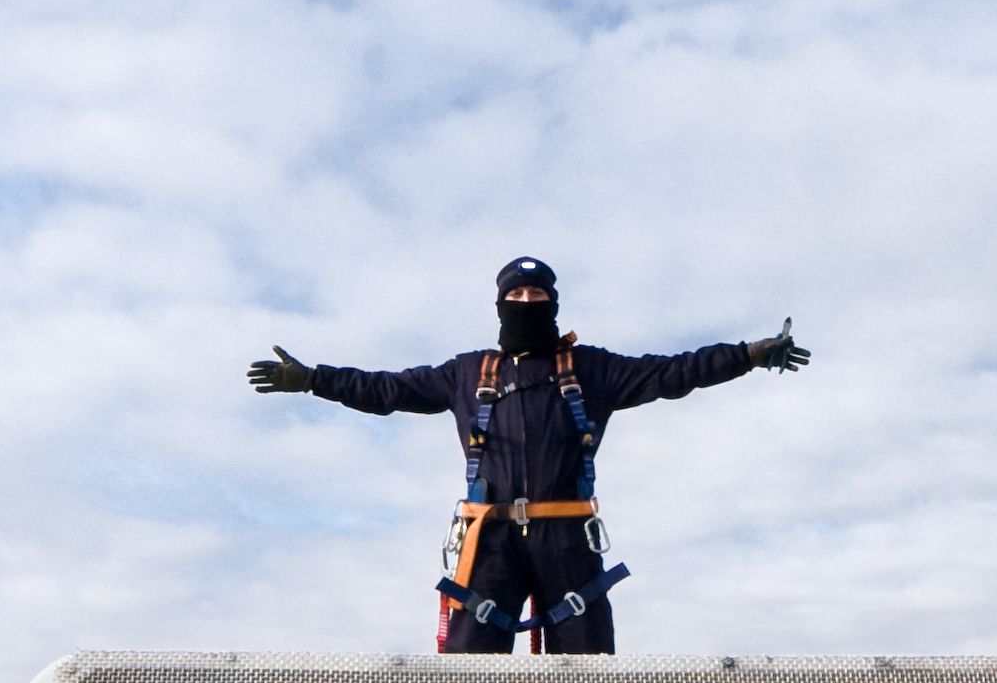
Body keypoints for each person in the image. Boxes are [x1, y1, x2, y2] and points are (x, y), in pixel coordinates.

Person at [247, 258, 811, 653]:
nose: (526, 303)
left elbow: (675, 372)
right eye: (515, 297)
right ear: (499, 305)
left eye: (536, 297)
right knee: (468, 682)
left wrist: (748, 354)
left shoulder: (591, 370)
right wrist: (314, 379)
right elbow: (386, 390)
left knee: (588, 672)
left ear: (554, 305)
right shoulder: (467, 374)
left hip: (568, 541)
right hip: (488, 541)